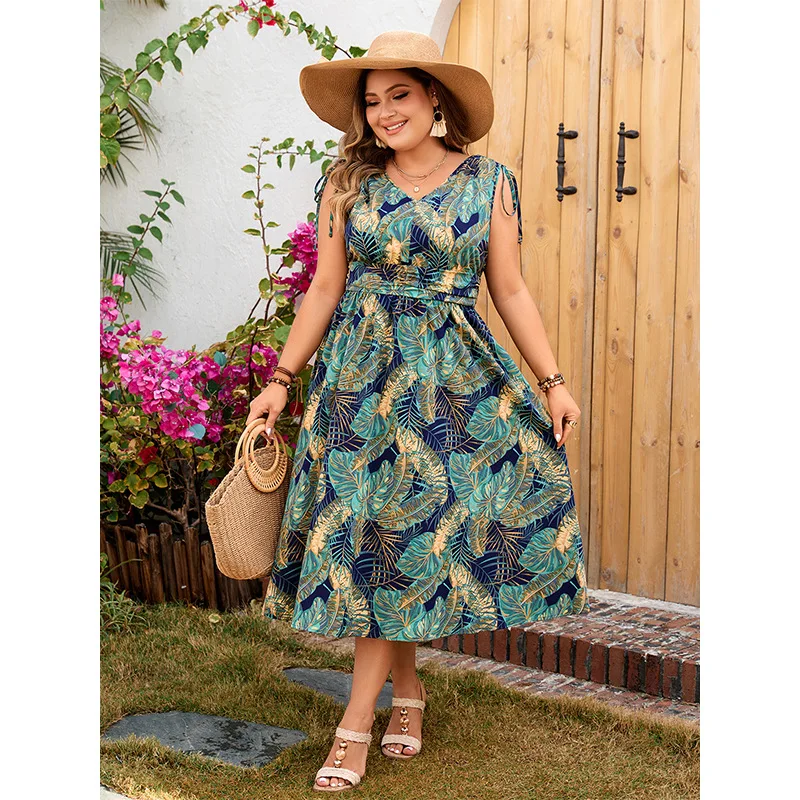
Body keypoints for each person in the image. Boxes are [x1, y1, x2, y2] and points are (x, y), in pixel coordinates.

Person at [250, 30, 588, 792]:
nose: (384, 112)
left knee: (405, 543)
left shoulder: (489, 182)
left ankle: (356, 726)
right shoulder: (348, 184)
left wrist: (552, 381)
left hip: (452, 387)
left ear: (435, 97)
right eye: (373, 101)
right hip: (360, 386)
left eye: (399, 95)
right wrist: (281, 378)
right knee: (380, 541)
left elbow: (509, 289)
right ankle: (401, 698)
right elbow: (326, 289)